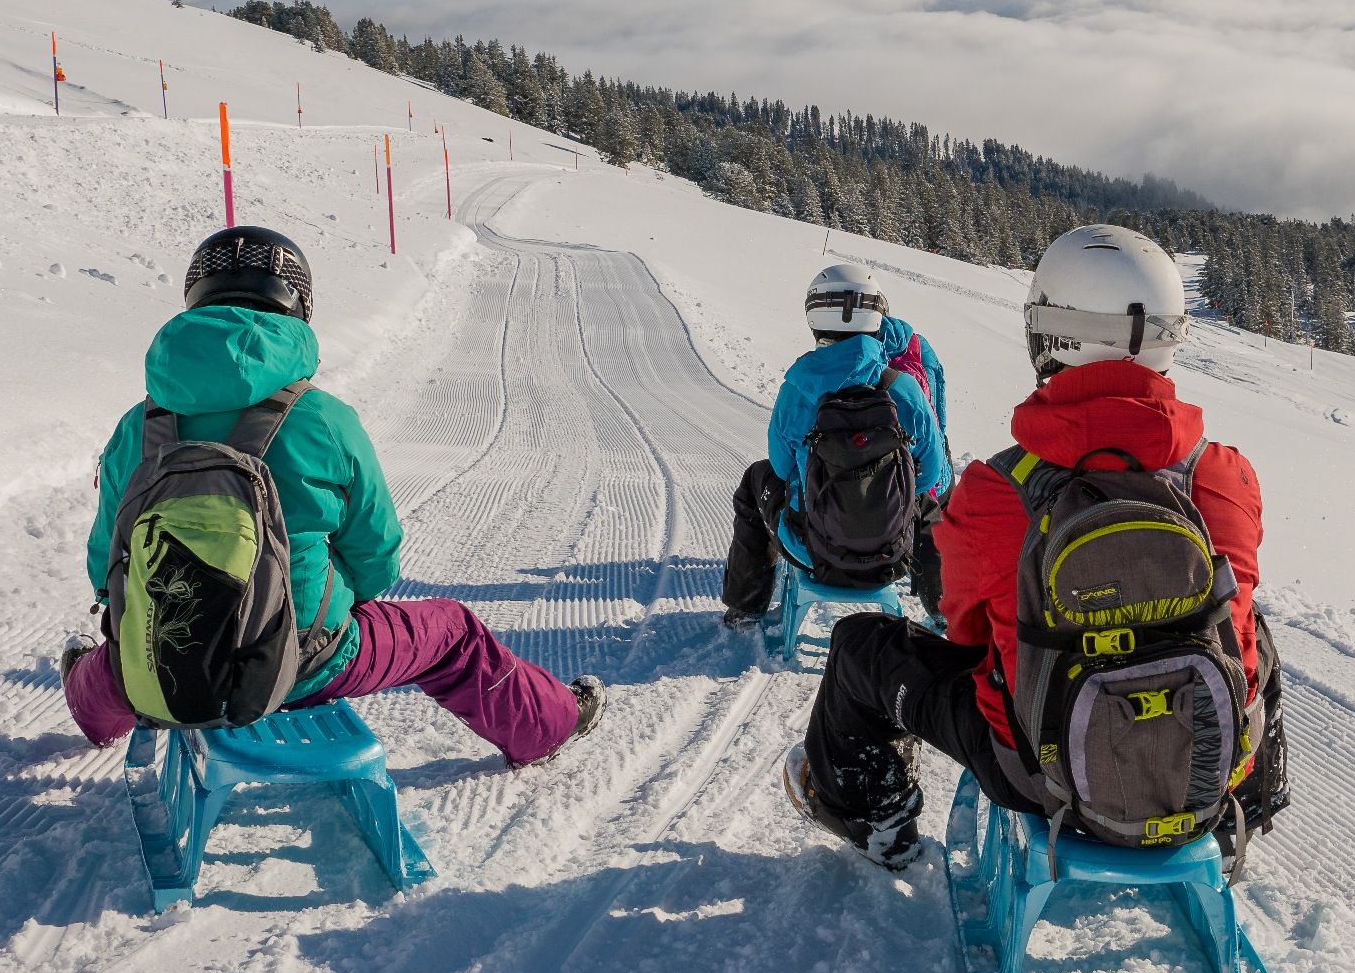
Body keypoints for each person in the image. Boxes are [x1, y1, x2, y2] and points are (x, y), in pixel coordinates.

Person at [783, 225, 1290, 870]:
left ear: (1045, 332)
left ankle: (867, 812)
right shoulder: (1223, 473)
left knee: (864, 648)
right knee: (1251, 626)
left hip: (1040, 776)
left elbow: (968, 637)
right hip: (1207, 773)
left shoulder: (998, 489)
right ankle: (1252, 801)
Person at [61, 225, 602, 765]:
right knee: (455, 633)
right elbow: (376, 555)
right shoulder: (323, 419)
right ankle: (548, 725)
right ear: (299, 306)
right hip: (302, 665)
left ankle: (93, 705)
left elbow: (106, 559)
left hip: (163, 663)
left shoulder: (138, 426)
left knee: (120, 658)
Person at [720, 259, 952, 625]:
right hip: (893, 554)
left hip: (812, 550)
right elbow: (932, 473)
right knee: (925, 503)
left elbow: (780, 467)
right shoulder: (904, 389)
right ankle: (944, 607)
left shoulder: (798, 388)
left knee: (756, 480)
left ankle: (746, 605)